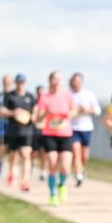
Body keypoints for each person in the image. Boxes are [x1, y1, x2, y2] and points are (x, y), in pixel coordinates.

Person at [35, 71, 77, 206]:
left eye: (59, 79)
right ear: (50, 81)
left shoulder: (67, 95)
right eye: (55, 79)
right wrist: (47, 113)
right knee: (52, 163)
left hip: (65, 134)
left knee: (65, 166)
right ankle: (53, 194)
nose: (57, 82)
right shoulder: (44, 97)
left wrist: (68, 114)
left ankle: (62, 185)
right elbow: (38, 118)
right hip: (50, 134)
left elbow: (74, 110)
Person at [0, 73, 36, 191]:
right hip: (14, 130)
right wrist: (13, 113)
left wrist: (33, 116)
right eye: (19, 82)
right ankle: (11, 174)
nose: (21, 84)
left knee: (26, 155)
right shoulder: (10, 96)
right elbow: (2, 110)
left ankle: (25, 180)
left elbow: (36, 110)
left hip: (27, 130)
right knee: (14, 156)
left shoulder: (30, 96)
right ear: (15, 82)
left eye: (23, 82)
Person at [70, 72, 101, 187]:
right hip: (73, 128)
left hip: (86, 128)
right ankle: (79, 175)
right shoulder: (69, 95)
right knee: (76, 151)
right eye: (75, 81)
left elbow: (97, 110)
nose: (77, 83)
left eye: (79, 81)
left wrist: (87, 109)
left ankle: (82, 169)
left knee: (85, 156)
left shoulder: (89, 94)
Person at [0, 75, 14, 176]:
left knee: (13, 148)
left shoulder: (16, 96)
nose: (7, 83)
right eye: (5, 81)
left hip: (15, 125)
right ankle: (1, 161)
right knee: (2, 145)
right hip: (2, 125)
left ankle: (12, 168)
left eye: (9, 81)